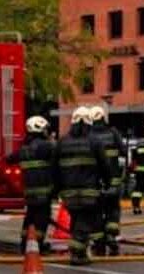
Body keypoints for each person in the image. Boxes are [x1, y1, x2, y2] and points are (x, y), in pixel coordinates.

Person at [56, 106, 110, 266]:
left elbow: (55, 167)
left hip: (68, 193)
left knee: (76, 219)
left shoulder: (62, 142)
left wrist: (58, 189)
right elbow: (104, 166)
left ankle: (79, 250)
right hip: (89, 192)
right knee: (85, 221)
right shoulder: (94, 142)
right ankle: (77, 252)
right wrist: (107, 182)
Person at [6, 115, 55, 253]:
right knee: (41, 219)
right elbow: (57, 162)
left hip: (29, 192)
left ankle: (24, 244)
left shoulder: (23, 149)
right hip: (44, 191)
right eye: (45, 129)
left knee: (30, 218)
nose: (47, 132)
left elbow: (9, 159)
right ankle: (37, 245)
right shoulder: (46, 146)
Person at [88, 105, 125, 256]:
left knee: (96, 212)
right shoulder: (113, 132)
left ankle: (98, 244)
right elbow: (123, 151)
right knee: (113, 209)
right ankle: (111, 237)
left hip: (95, 183)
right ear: (104, 117)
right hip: (114, 181)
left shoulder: (89, 135)